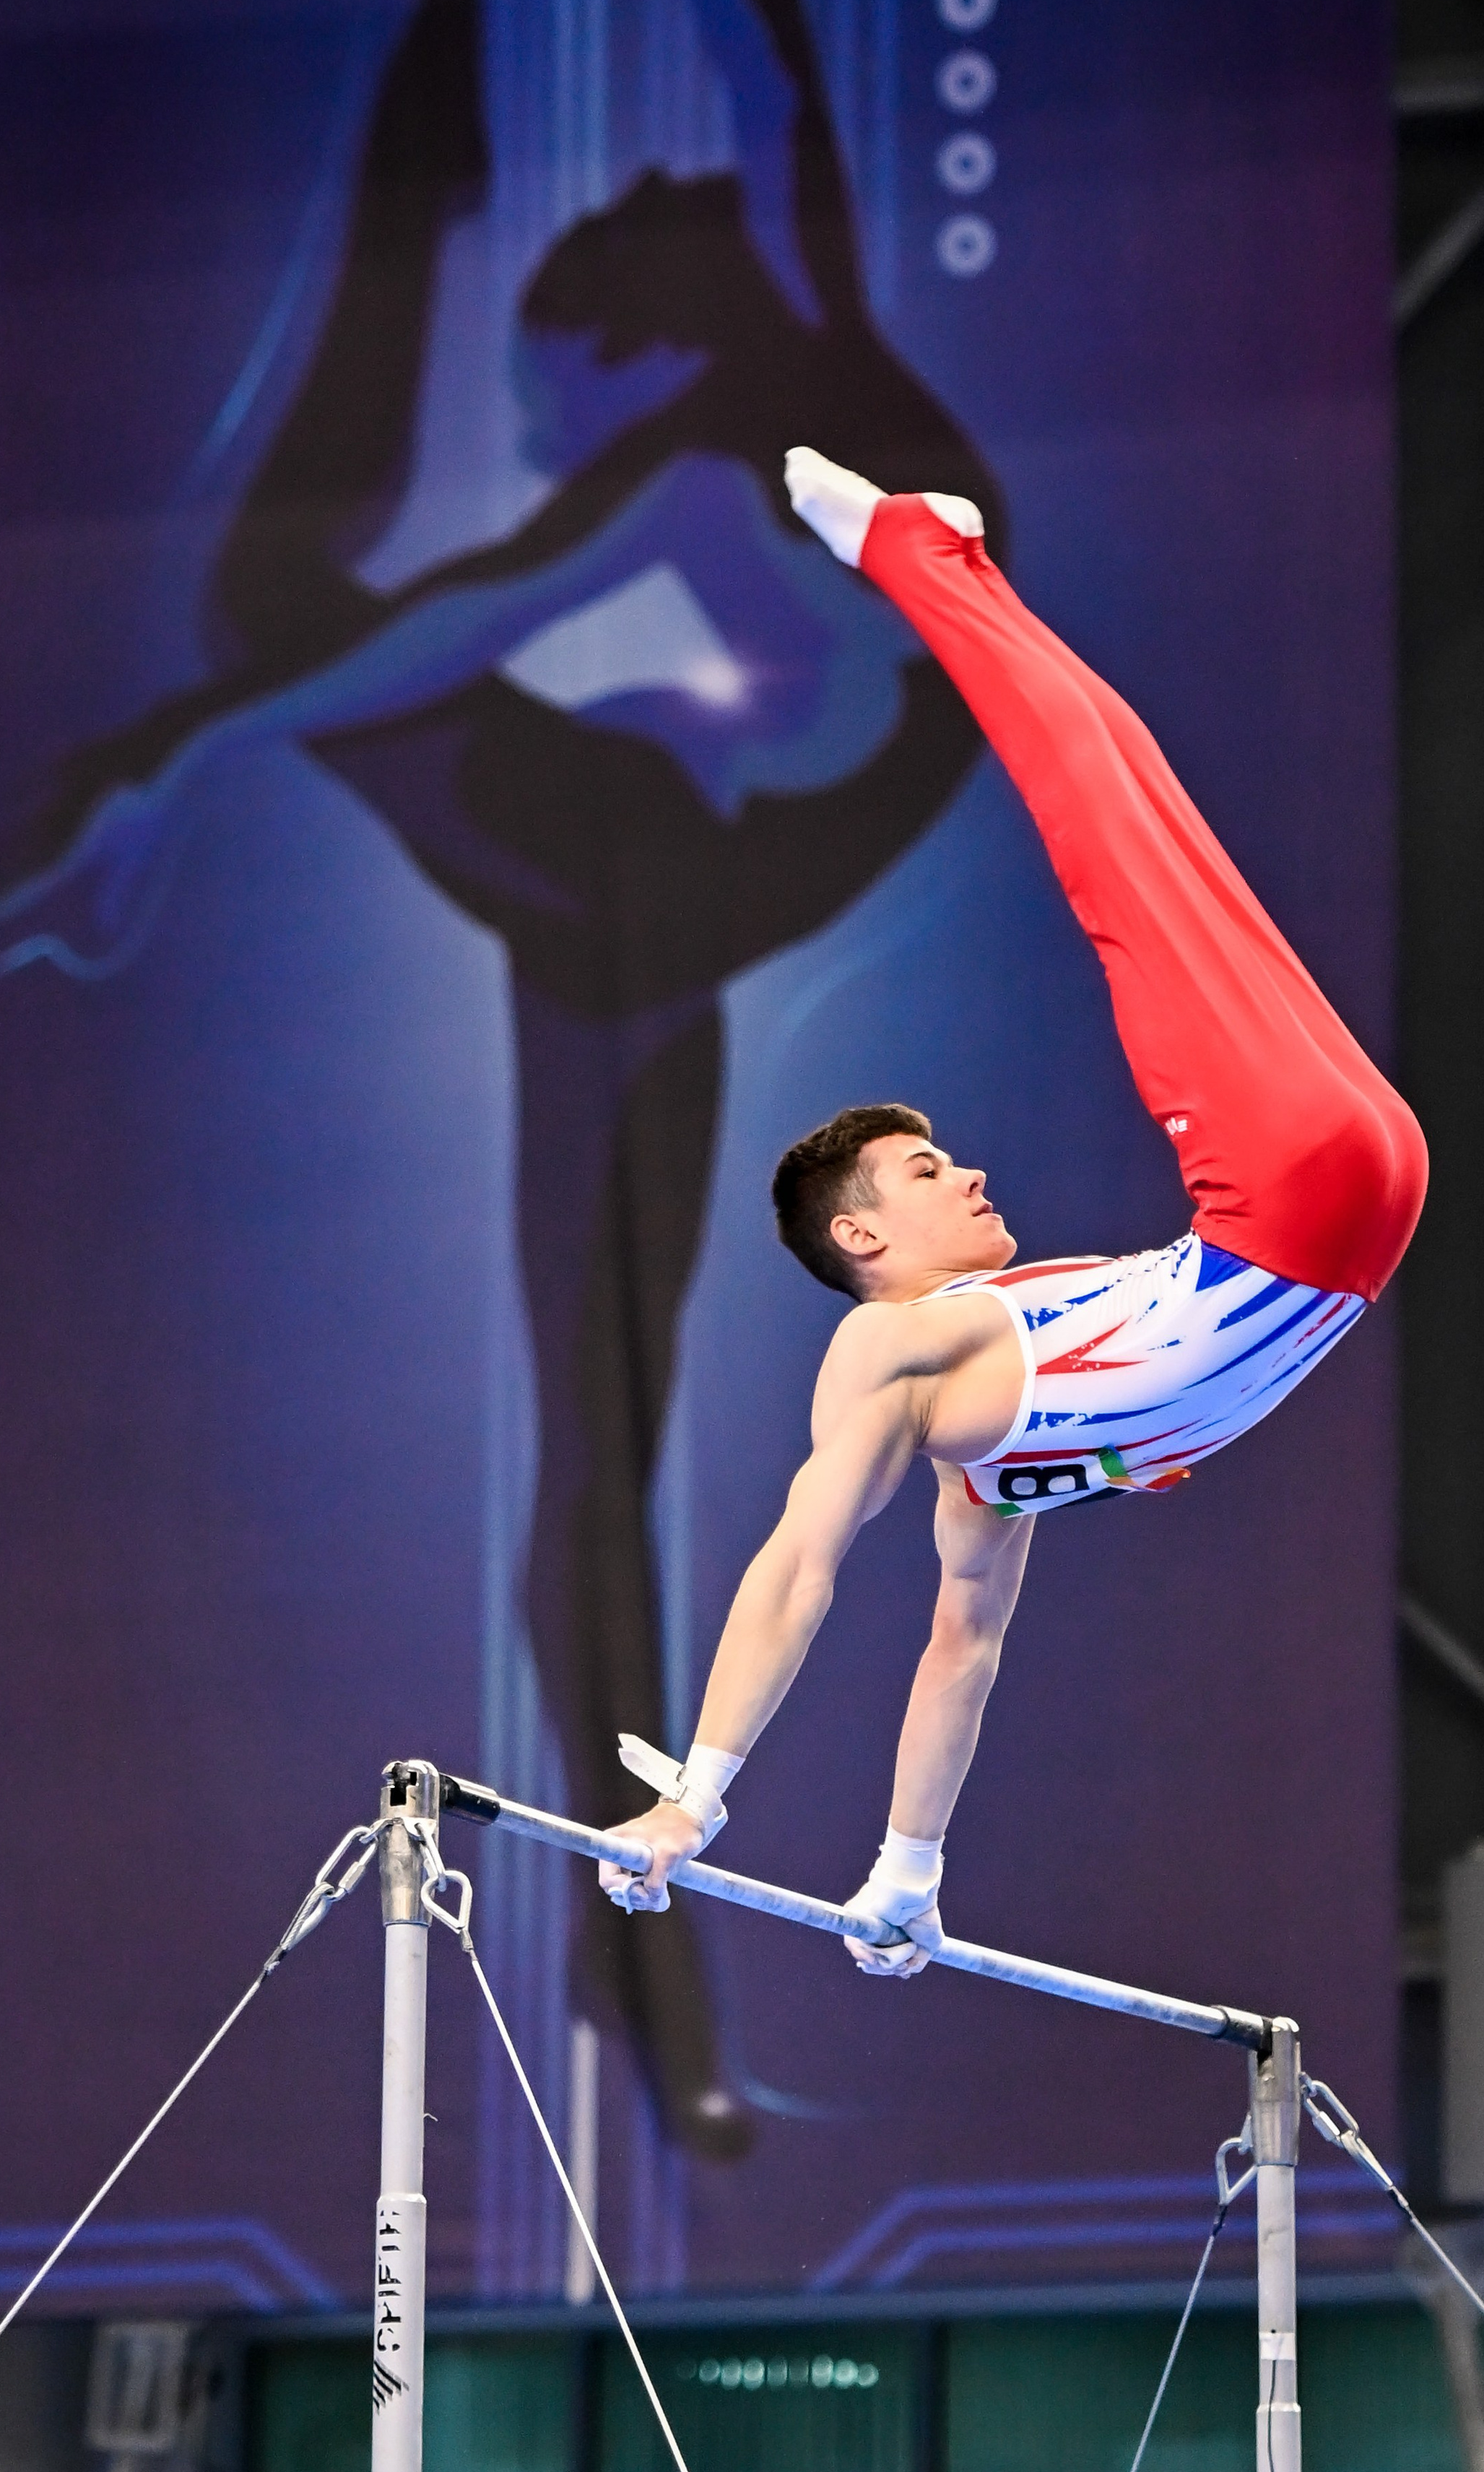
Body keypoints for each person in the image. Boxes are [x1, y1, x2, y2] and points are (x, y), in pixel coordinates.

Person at [0, 0, 1001, 2151]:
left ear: (640, 347)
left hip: (654, 884)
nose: (563, 450)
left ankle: (665, 1978)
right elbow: (440, 626)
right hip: (632, 883)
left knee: (274, 607)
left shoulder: (757, 406)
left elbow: (759, 36)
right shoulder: (796, 373)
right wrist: (185, 762)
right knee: (605, 1444)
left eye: (558, 403)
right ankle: (664, 1976)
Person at [598, 448, 1429, 1975]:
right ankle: (936, 559)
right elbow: (914, 1627)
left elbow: (851, 1587)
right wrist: (896, 1871)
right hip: (1334, 1202)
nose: (967, 1175)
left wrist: (707, 1808)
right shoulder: (922, 1392)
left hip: (1300, 1189)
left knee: (1116, 816)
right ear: (860, 1242)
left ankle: (930, 556)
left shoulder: (947, 1366)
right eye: (922, 1175)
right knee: (1118, 818)